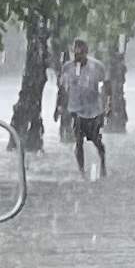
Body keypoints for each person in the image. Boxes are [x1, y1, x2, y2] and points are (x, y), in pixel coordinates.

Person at [55, 38, 107, 178]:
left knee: (96, 139)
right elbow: (62, 89)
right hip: (75, 109)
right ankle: (81, 171)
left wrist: (108, 107)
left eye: (81, 53)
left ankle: (102, 163)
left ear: (86, 52)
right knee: (78, 140)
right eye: (76, 54)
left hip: (94, 110)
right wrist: (58, 107)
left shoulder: (96, 66)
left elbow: (106, 86)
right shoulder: (67, 67)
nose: (78, 57)